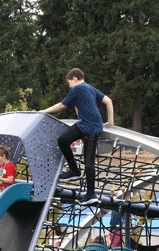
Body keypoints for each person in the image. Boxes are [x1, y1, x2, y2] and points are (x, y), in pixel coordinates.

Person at [41, 68, 114, 205]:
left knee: (89, 162)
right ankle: (74, 170)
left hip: (91, 128)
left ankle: (91, 194)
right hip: (83, 124)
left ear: (74, 78)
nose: (69, 86)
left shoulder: (78, 88)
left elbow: (62, 105)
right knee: (63, 140)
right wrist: (110, 122)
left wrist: (44, 111)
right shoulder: (90, 88)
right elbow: (108, 101)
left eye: (69, 82)